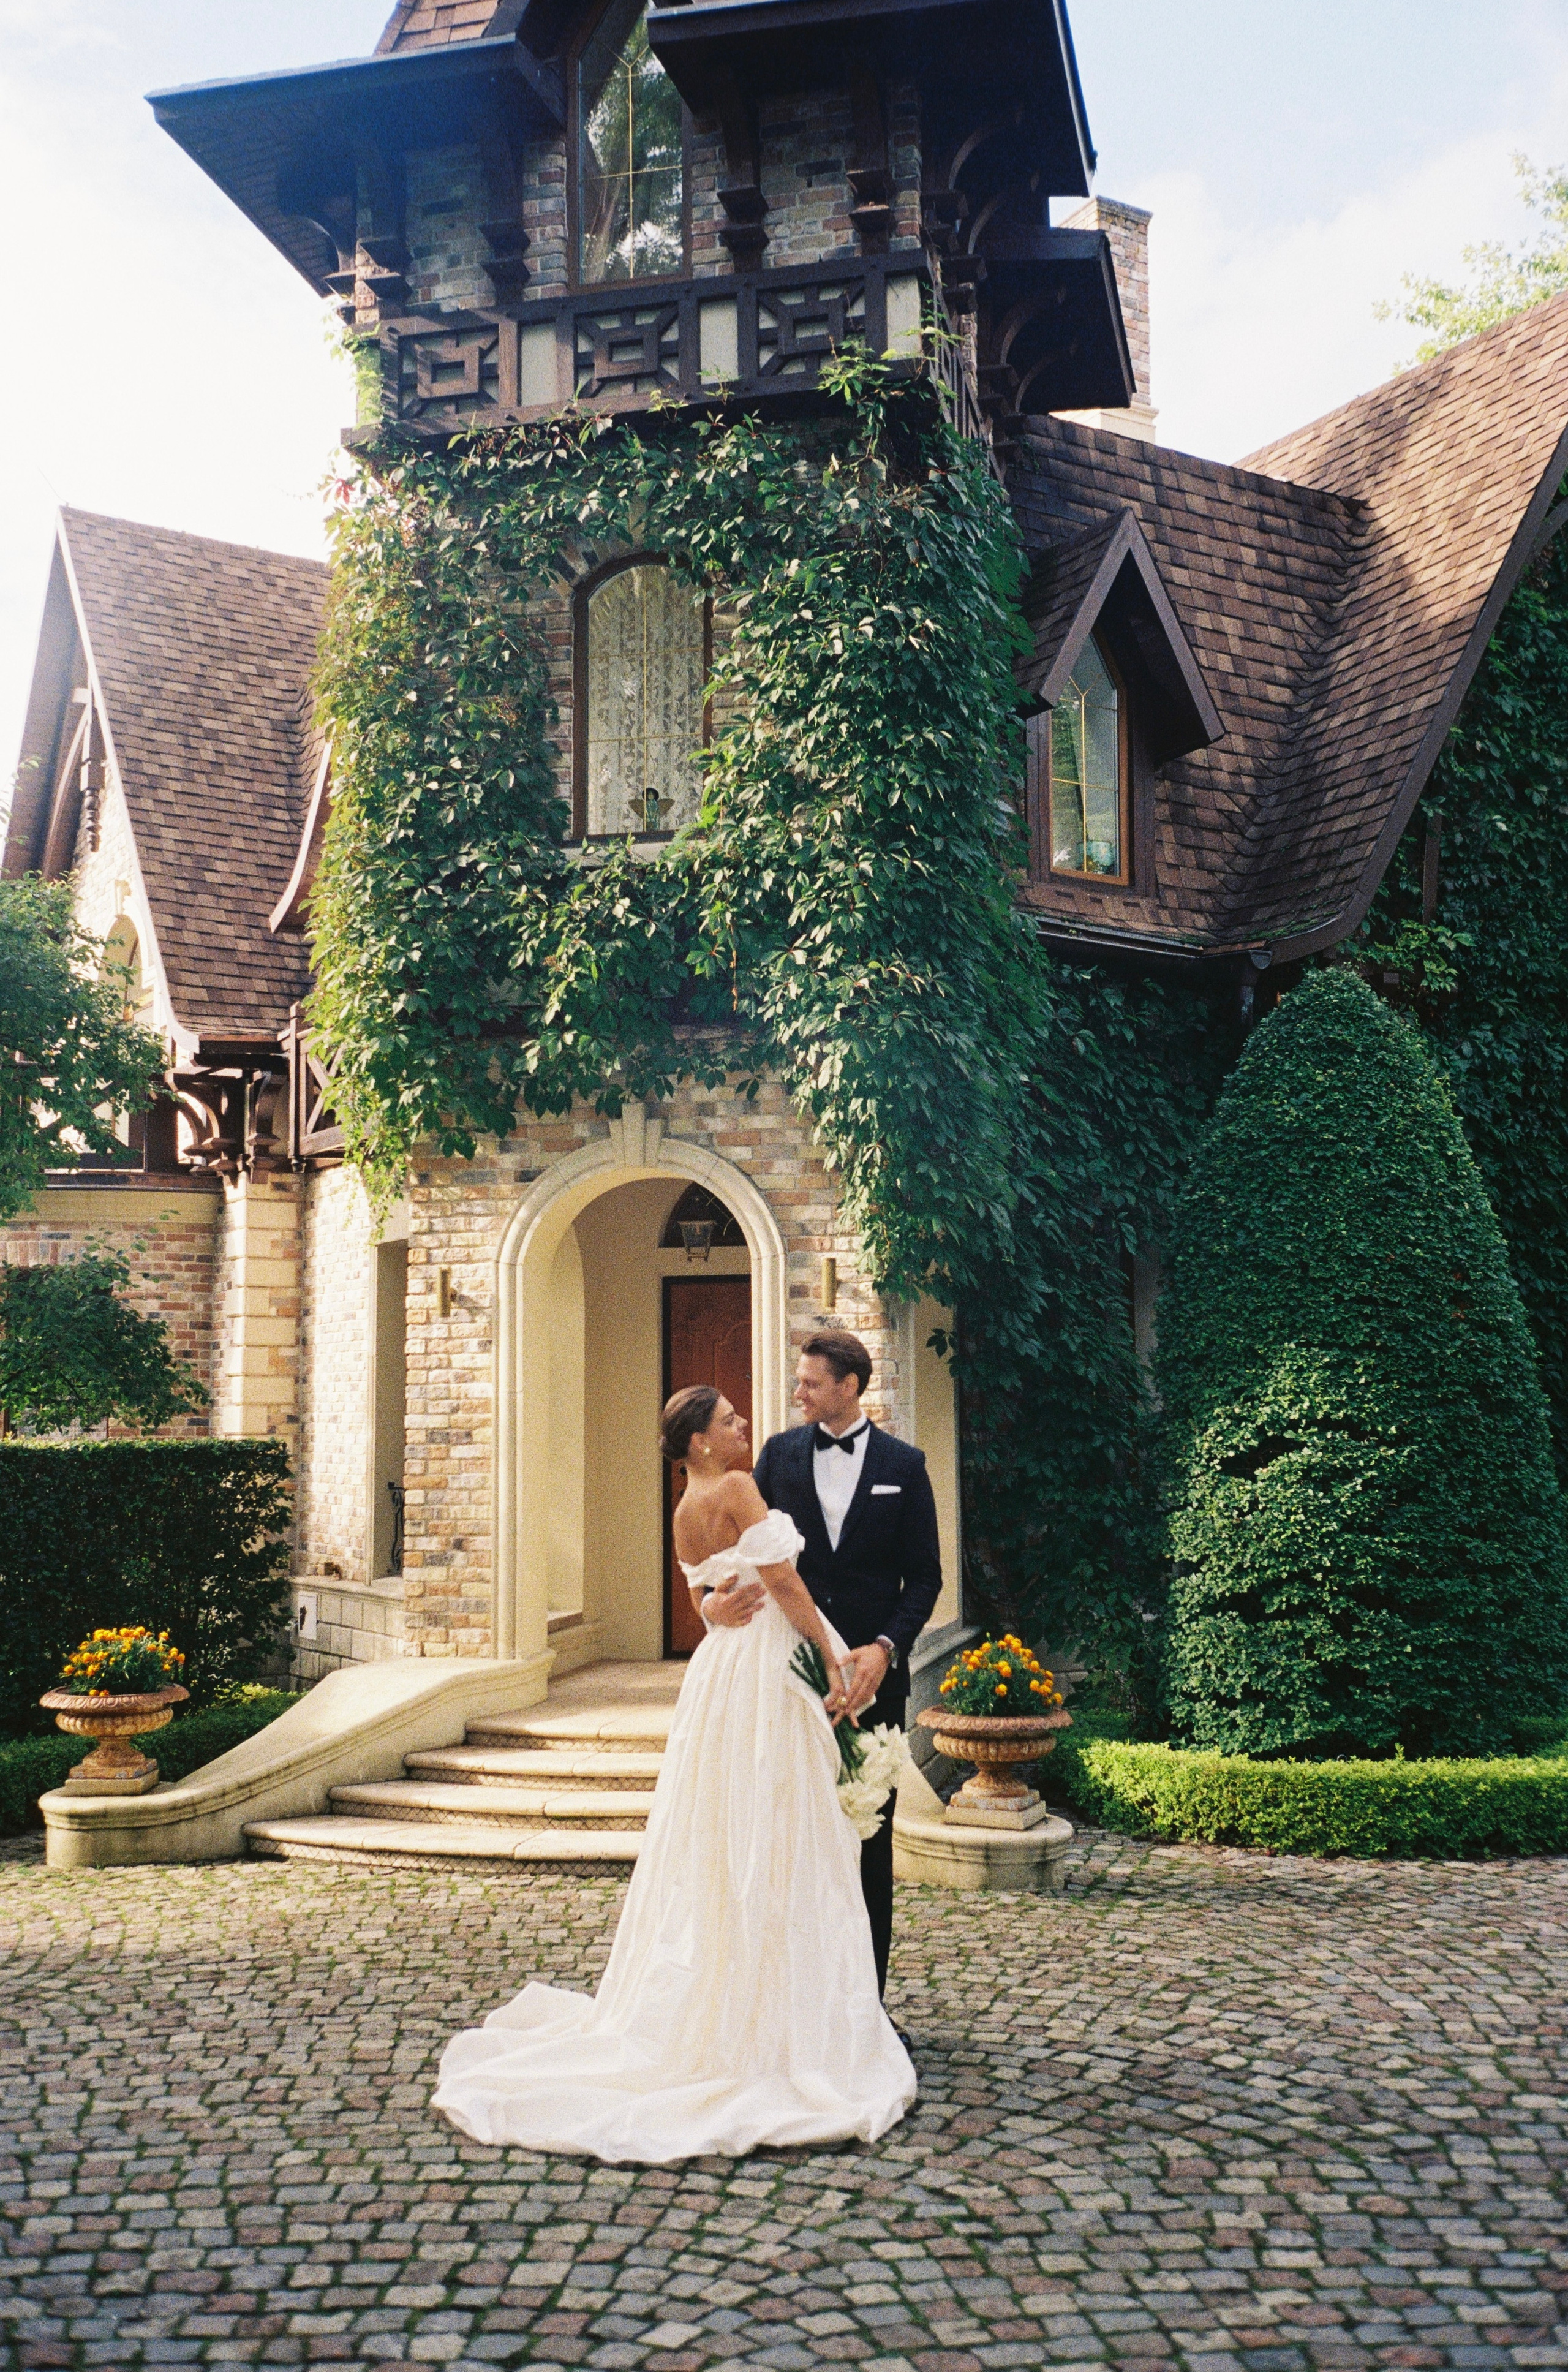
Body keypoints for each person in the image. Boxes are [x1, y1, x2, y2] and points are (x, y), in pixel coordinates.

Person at [432, 1382, 916, 2163]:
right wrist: (832, 1661)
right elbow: (786, 1584)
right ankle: (787, 2026)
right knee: (782, 1820)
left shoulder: (686, 1502)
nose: (743, 1425)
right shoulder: (735, 1483)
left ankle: (743, 1997)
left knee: (727, 1824)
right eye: (729, 1420)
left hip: (722, 1672)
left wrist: (708, 1613)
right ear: (699, 1440)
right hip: (769, 1667)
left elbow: (702, 1594)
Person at [704, 1331, 942, 1996]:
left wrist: (884, 1647)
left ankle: (866, 2012)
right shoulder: (777, 1457)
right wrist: (708, 1605)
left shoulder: (905, 1462)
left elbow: (924, 1576)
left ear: (849, 1385)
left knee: (869, 1843)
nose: (797, 1392)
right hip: (791, 1677)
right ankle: (796, 2008)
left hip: (871, 1682)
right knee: (792, 1838)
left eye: (810, 1381)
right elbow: (731, 1551)